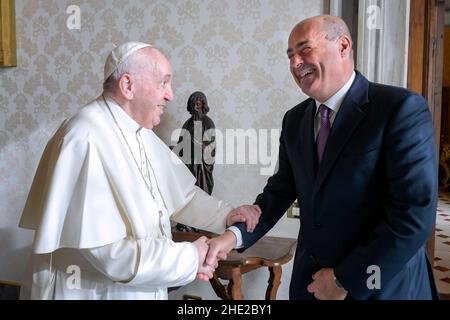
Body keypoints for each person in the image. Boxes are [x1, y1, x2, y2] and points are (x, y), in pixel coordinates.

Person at [207, 15, 439, 300]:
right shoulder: (294, 120)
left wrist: (345, 280)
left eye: (305, 50)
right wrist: (233, 236)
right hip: (310, 285)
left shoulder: (400, 109)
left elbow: (414, 214)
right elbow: (279, 192)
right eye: (290, 55)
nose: (295, 63)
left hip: (383, 287)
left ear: (343, 46)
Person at [18, 42, 259, 300]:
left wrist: (226, 216)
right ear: (128, 86)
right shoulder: (84, 136)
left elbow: (181, 196)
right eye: (163, 83)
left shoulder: (139, 131)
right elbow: (110, 256)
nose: (171, 95)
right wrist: (191, 257)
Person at [176, 91, 216, 233]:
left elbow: (209, 146)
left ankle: (198, 223)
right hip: (189, 166)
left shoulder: (207, 123)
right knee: (187, 193)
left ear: (203, 105)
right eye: (193, 103)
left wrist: (195, 144)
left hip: (201, 168)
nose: (196, 106)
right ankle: (187, 222)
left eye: (198, 103)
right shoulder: (187, 124)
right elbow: (181, 145)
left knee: (201, 194)